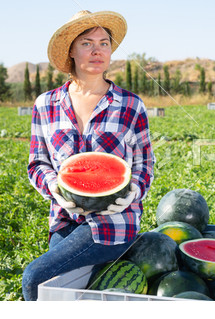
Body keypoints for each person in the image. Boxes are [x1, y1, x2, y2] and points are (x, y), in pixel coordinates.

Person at [22, 10, 155, 301]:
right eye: (87, 43)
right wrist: (54, 188)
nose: (97, 50)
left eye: (104, 43)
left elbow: (145, 164)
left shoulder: (131, 105)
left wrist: (133, 191)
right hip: (64, 220)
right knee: (63, 294)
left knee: (34, 277)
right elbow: (37, 162)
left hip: (114, 223)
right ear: (71, 51)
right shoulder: (46, 104)